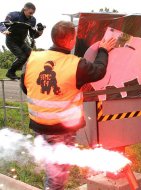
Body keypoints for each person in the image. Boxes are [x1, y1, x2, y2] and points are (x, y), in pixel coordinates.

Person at [20, 21, 116, 190]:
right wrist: (103, 50)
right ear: (71, 40)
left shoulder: (33, 59)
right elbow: (99, 70)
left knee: (53, 167)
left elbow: (25, 86)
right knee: (57, 176)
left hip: (38, 126)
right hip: (61, 131)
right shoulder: (75, 64)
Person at [0, 2, 43, 80]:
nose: (31, 15)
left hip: (21, 42)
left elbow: (32, 36)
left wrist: (40, 31)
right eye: (30, 13)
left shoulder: (32, 20)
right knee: (22, 57)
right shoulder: (14, 15)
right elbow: (1, 24)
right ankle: (10, 73)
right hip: (11, 41)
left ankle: (28, 74)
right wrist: (3, 30)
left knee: (31, 55)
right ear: (24, 9)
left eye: (33, 13)